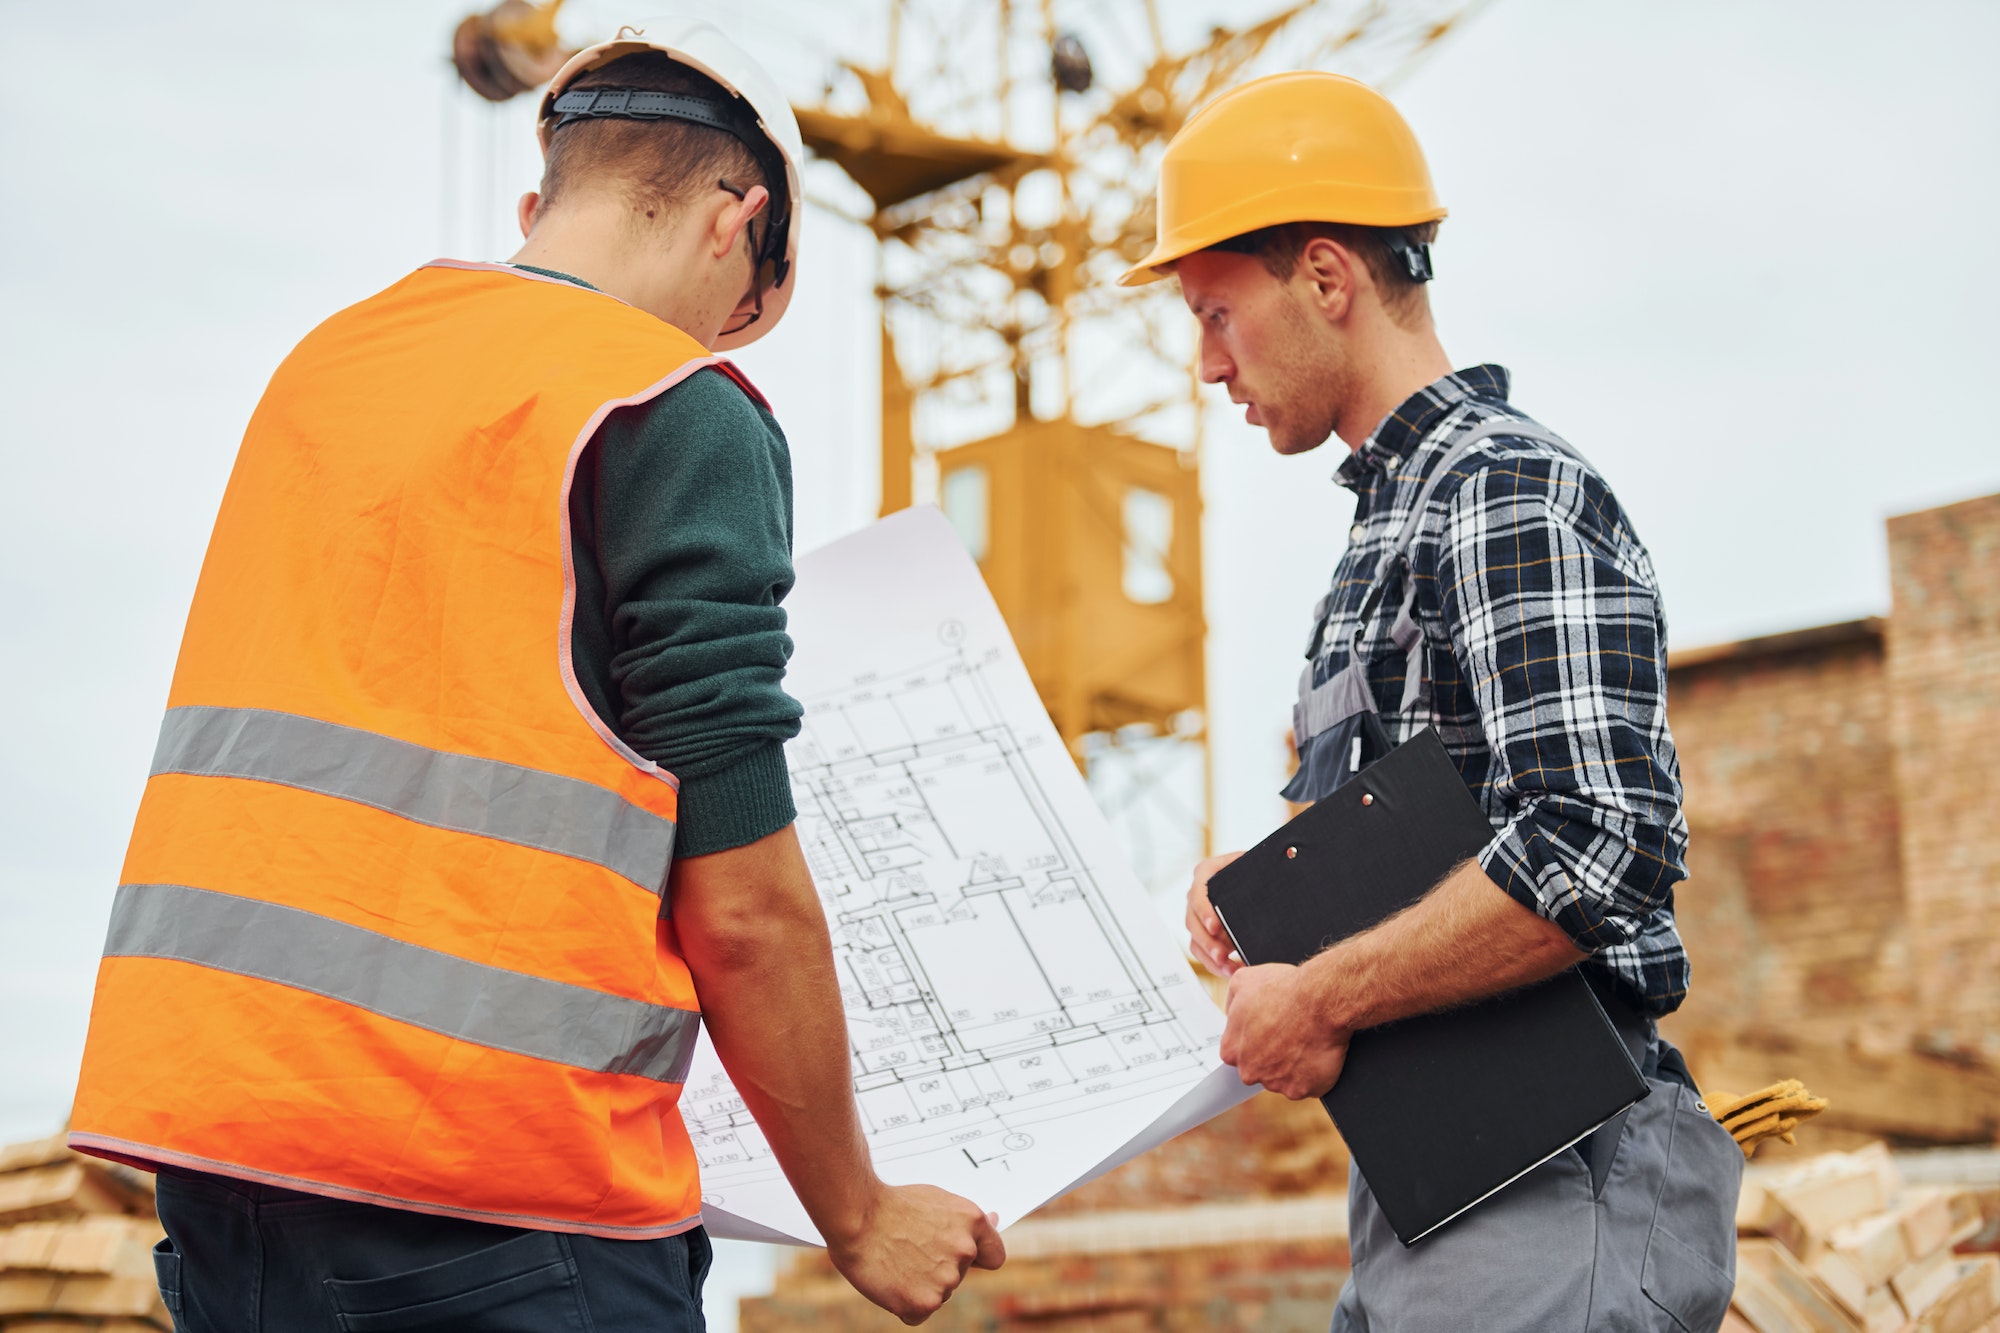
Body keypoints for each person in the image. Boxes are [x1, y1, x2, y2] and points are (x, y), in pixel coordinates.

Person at [67, 20, 1002, 1331]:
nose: (717, 343)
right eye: (740, 317)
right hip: (492, 1201)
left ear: (537, 202)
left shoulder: (328, 368)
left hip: (221, 1169)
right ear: (737, 227)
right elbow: (744, 908)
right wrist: (857, 1213)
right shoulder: (670, 406)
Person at [1123, 72, 1742, 1331]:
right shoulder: (1384, 539)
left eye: (1215, 315)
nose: (1203, 365)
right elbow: (1436, 841)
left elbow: (1592, 842)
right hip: (1429, 1185)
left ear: (1324, 277)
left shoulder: (1504, 493)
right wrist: (1268, 887)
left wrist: (1323, 995)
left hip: (1550, 1172)